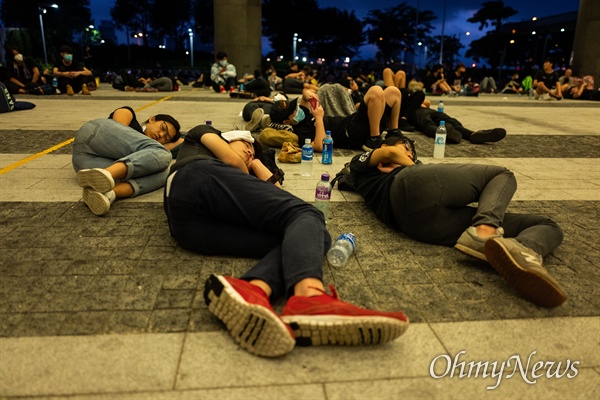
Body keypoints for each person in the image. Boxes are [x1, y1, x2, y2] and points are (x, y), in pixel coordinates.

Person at [163, 123, 409, 358]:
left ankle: (254, 289)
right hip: (194, 178)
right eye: (246, 143)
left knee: (311, 238)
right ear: (228, 136)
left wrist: (257, 165)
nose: (250, 150)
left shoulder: (243, 171)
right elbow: (234, 163)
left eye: (254, 149)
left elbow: (282, 206)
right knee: (309, 214)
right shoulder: (203, 134)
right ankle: (309, 296)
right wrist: (250, 165)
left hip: (189, 230)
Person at [349, 135, 566, 308]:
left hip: (418, 226)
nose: (410, 152)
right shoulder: (361, 164)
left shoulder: (406, 170)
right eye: (406, 145)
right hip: (404, 186)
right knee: (501, 175)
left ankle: (522, 253)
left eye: (412, 152)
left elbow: (398, 156)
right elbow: (390, 152)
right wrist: (406, 163)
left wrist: (406, 163)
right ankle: (484, 231)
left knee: (548, 225)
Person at [71, 106, 181, 216]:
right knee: (164, 154)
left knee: (164, 172)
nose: (161, 134)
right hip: (92, 134)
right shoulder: (130, 115)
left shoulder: (150, 150)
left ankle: (108, 194)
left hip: (85, 163)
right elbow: (118, 128)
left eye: (166, 138)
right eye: (162, 128)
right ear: (152, 119)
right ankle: (107, 174)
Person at [269, 84, 401, 151]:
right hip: (350, 133)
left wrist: (309, 95)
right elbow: (319, 146)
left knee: (393, 92)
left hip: (352, 121)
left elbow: (304, 94)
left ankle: (393, 131)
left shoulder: (302, 114)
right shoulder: (300, 131)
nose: (297, 110)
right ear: (286, 121)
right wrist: (319, 118)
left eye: (295, 107)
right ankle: (373, 139)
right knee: (375, 91)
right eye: (293, 111)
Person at [408, 99, 506, 144]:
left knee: (451, 121)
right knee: (427, 123)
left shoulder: (411, 94)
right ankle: (446, 133)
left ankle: (473, 135)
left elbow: (427, 102)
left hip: (429, 110)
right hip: (413, 112)